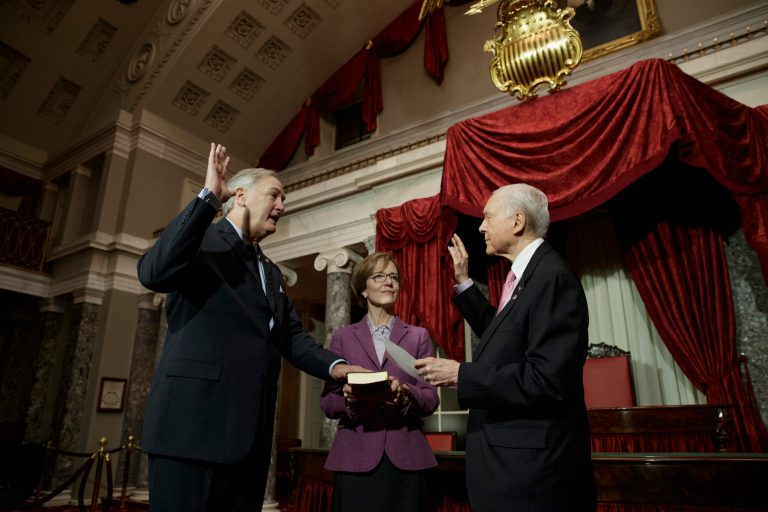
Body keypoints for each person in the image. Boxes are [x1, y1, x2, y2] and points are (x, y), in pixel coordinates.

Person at [137, 143, 365, 512]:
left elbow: (293, 338)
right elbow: (153, 272)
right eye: (275, 195)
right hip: (191, 434)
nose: (282, 206)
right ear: (240, 196)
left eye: (283, 199)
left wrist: (339, 368)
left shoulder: (271, 272)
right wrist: (208, 199)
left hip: (248, 444)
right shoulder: (200, 239)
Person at [415, 184, 596, 511]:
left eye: (488, 217)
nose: (481, 227)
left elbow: (546, 379)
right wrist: (464, 282)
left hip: (531, 478)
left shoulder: (552, 276)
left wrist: (461, 375)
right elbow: (501, 336)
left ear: (517, 222)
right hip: (510, 471)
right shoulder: (526, 276)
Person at [320, 252, 440, 512]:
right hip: (354, 456)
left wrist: (406, 393)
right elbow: (328, 402)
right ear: (363, 288)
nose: (389, 282)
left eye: (394, 278)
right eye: (379, 276)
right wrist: (349, 401)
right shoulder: (342, 337)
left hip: (406, 456)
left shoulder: (418, 336)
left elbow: (431, 398)